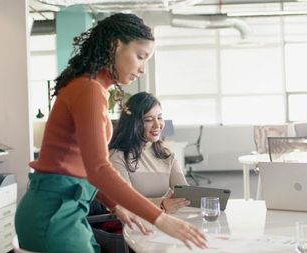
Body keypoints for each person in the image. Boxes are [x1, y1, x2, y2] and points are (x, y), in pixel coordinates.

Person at [15, 13, 206, 252]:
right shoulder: (89, 89)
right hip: (54, 213)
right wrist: (161, 218)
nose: (142, 69)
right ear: (115, 45)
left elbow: (85, 168)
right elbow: (98, 169)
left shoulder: (94, 88)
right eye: (140, 57)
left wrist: (116, 206)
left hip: (67, 209)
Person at [109, 92, 190, 214]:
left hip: (159, 219)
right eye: (148, 119)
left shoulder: (165, 154)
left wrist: (208, 199)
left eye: (159, 117)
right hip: (131, 223)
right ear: (133, 123)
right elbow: (126, 203)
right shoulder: (117, 156)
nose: (157, 125)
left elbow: (185, 192)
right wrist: (161, 204)